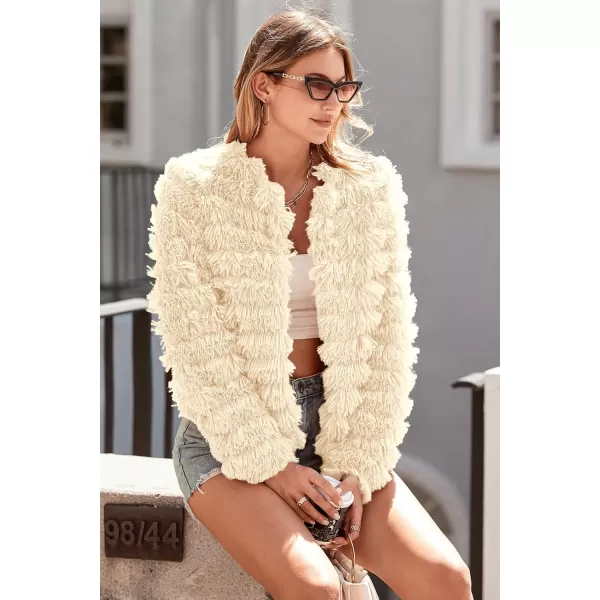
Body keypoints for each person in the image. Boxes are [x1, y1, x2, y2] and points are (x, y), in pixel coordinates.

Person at [147, 7, 472, 600]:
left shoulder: (368, 189)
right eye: (316, 84)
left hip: (340, 432)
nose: (333, 102)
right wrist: (271, 464)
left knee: (444, 578)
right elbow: (197, 351)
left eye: (343, 87)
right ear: (264, 85)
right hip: (230, 441)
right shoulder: (193, 188)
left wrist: (358, 465)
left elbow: (387, 340)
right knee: (317, 589)